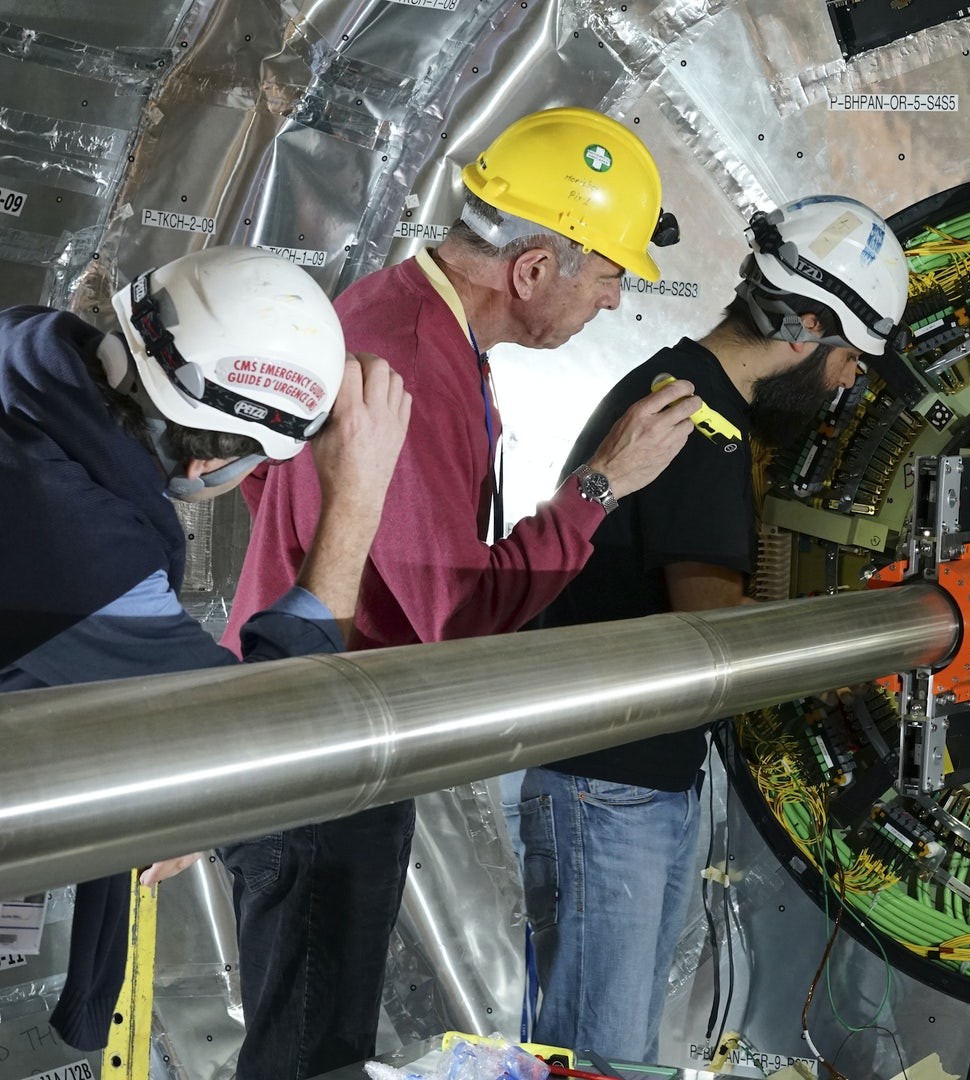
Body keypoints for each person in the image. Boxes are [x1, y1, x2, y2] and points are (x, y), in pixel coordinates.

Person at [220, 107, 698, 1078]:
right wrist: (599, 486)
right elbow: (449, 611)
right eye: (608, 276)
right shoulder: (409, 356)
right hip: (315, 753)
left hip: (326, 734)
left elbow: (278, 490)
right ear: (532, 270)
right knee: (308, 1056)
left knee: (315, 1043)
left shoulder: (402, 318)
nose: (612, 303)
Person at [510, 195, 911, 1062]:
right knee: (597, 1054)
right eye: (848, 358)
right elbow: (713, 634)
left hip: (628, 781)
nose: (847, 383)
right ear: (804, 325)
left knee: (611, 1051)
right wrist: (874, 629)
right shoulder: (696, 425)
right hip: (605, 785)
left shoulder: (686, 391)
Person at [0, 246, 411, 1052]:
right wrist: (357, 497)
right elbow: (267, 731)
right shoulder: (74, 550)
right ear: (207, 465)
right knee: (333, 814)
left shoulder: (30, 351)